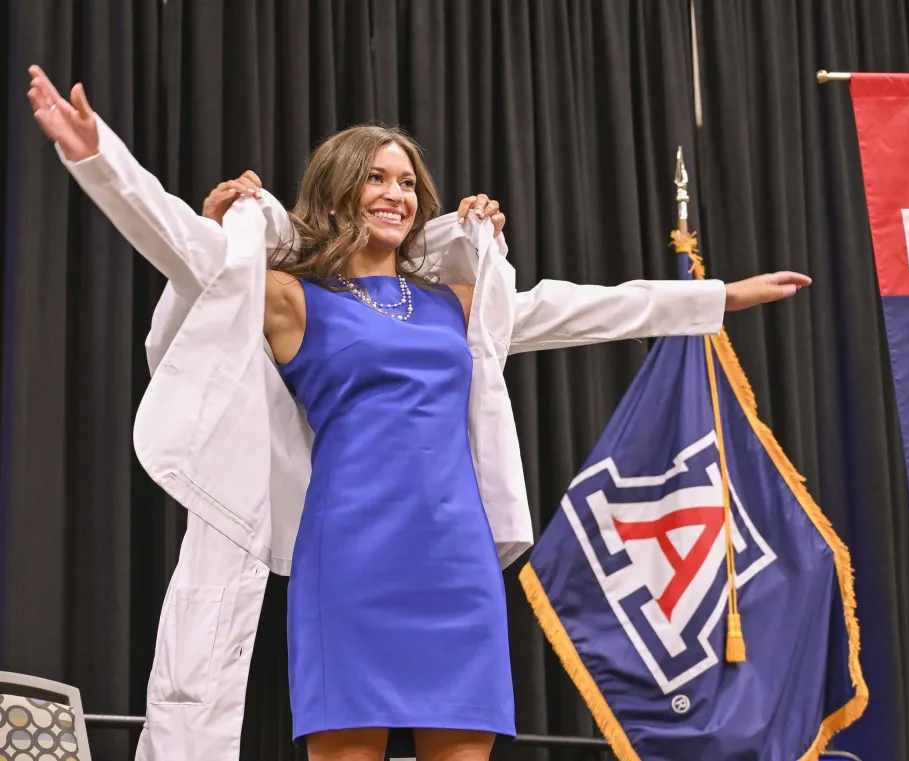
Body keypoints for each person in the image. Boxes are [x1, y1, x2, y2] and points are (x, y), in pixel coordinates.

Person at [27, 65, 811, 761]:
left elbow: (580, 308)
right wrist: (97, 156)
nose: (395, 194)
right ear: (339, 190)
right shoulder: (291, 297)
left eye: (406, 181)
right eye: (375, 178)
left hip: (454, 560)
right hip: (349, 555)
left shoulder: (456, 303)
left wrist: (720, 297)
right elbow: (180, 245)